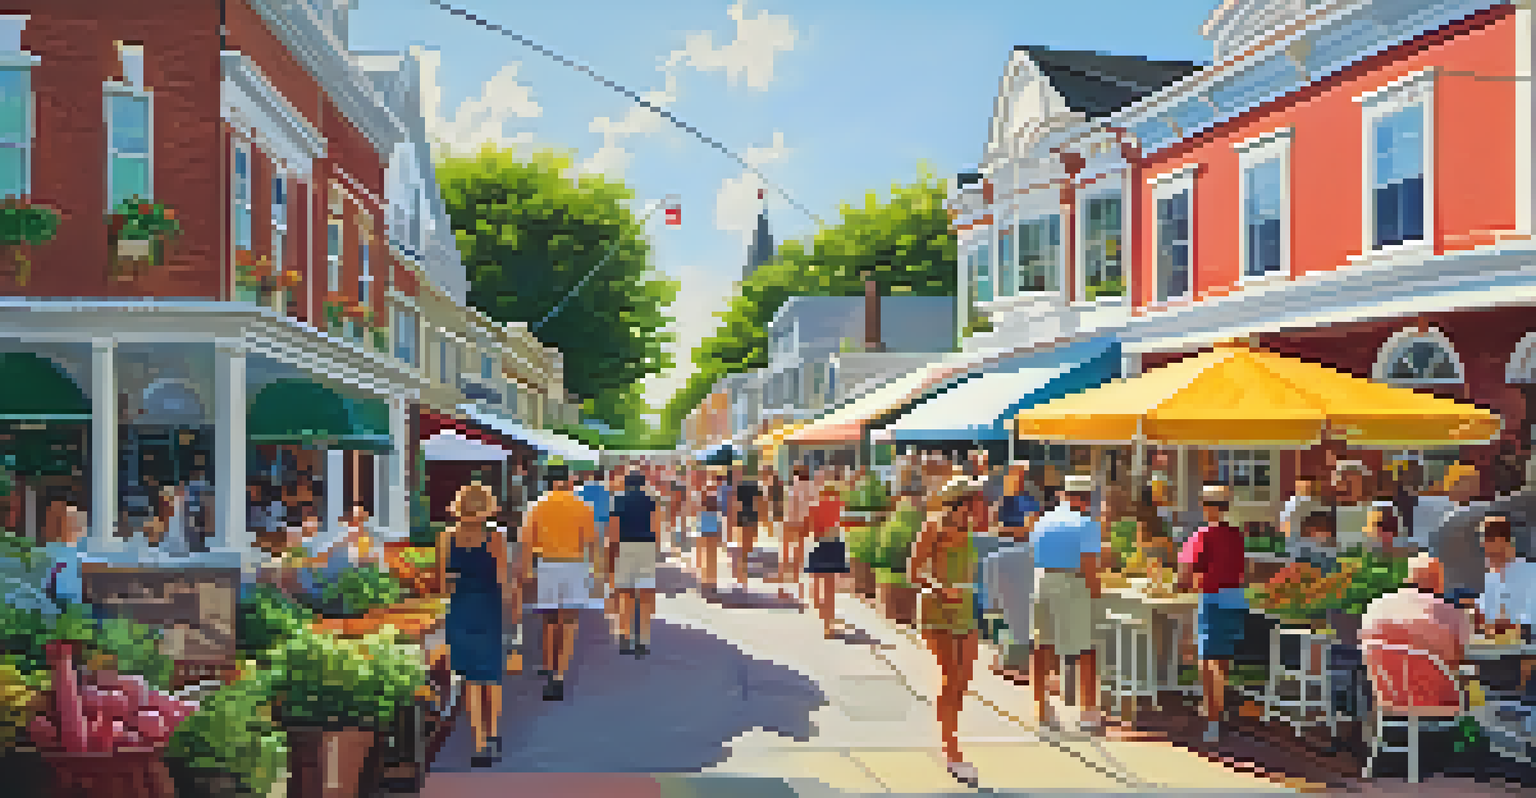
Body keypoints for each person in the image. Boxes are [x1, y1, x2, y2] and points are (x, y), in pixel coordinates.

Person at [1358, 553, 1471, 778]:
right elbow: (1461, 655)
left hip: (1387, 696)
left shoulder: (1376, 606)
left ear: (1407, 578)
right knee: (1474, 679)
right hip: (1436, 700)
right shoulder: (1449, 613)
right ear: (1438, 581)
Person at [910, 476, 985, 788]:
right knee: (951, 675)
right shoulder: (932, 527)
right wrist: (940, 588)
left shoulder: (970, 529)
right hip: (937, 606)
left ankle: (948, 735)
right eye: (977, 498)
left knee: (965, 677)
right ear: (961, 502)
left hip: (965, 606)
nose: (983, 503)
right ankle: (950, 747)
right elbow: (914, 571)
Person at [440, 482, 512, 766]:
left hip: (460, 608)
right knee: (491, 675)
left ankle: (479, 743)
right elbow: (503, 580)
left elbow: (443, 581)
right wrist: (513, 619)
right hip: (489, 608)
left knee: (470, 679)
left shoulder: (446, 537)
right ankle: (493, 734)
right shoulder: (495, 538)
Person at [518, 460, 598, 701]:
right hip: (574, 565)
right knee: (569, 623)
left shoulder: (536, 506)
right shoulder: (583, 506)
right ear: (569, 480)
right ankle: (559, 675)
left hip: (547, 564)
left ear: (548, 481)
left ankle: (548, 663)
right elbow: (591, 542)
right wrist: (595, 570)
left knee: (550, 619)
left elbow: (526, 542)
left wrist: (527, 570)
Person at [1029, 474, 1103, 732]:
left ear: (1063, 495)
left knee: (1043, 646)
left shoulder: (1043, 521)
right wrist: (1096, 593)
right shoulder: (1087, 524)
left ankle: (1041, 706)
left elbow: (1034, 554)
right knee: (1085, 648)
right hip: (1072, 582)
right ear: (1086, 499)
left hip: (1042, 580)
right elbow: (1090, 567)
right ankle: (1088, 711)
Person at [1177, 484, 1249, 743]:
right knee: (1223, 660)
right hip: (1236, 598)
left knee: (1208, 661)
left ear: (1207, 507)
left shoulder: (1202, 535)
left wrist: (1180, 584)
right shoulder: (1236, 535)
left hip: (1213, 598)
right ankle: (1218, 710)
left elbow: (1184, 575)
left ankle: (1212, 719)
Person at [983, 465, 1039, 676]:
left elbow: (1029, 529)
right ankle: (1006, 658)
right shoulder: (1002, 501)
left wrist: (1005, 530)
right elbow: (990, 523)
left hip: (1020, 558)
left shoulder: (1029, 501)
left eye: (1020, 475)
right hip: (1003, 559)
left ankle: (1016, 661)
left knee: (1018, 609)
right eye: (1013, 475)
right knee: (1002, 610)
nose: (1016, 479)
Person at [1476, 514, 1536, 694]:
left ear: (1506, 542)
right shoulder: (1492, 576)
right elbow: (1484, 621)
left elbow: (1527, 631)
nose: (1487, 555)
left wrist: (1523, 686)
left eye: (1491, 550)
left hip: (1520, 669)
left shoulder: (1529, 573)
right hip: (1494, 661)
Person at [610, 471, 662, 656]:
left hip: (625, 546)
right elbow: (656, 527)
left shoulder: (618, 500)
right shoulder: (651, 500)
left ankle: (624, 636)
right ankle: (643, 639)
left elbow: (614, 529)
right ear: (642, 484)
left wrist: (613, 551)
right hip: (646, 546)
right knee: (645, 593)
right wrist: (656, 549)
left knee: (625, 593)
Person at [806, 484, 848, 637]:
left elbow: (810, 528)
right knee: (830, 588)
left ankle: (818, 604)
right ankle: (828, 625)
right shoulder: (839, 506)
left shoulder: (815, 507)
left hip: (819, 544)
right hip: (835, 544)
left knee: (817, 578)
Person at [780, 465, 814, 600]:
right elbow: (811, 505)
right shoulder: (810, 487)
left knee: (787, 546)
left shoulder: (793, 486)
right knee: (799, 546)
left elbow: (790, 504)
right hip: (803, 520)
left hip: (791, 519)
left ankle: (785, 571)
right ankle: (795, 572)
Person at [1331, 461, 1374, 553]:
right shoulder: (1327, 514)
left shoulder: (1379, 511)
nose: (1343, 488)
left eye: (1349, 483)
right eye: (1340, 482)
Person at [731, 468, 763, 592]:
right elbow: (760, 502)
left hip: (742, 516)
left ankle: (741, 571)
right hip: (752, 516)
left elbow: (735, 503)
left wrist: (733, 519)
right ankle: (744, 568)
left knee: (742, 544)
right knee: (749, 542)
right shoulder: (755, 486)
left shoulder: (738, 487)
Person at [695, 470, 726, 593]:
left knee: (708, 555)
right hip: (710, 523)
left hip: (707, 523)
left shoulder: (707, 491)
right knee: (710, 555)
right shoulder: (719, 492)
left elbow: (698, 508)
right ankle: (710, 581)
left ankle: (708, 581)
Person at [1280, 476, 1325, 544]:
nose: (1305, 489)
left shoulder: (1314, 502)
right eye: (1302, 487)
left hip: (1310, 535)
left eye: (1307, 487)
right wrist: (1287, 533)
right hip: (1294, 534)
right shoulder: (1291, 503)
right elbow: (1285, 518)